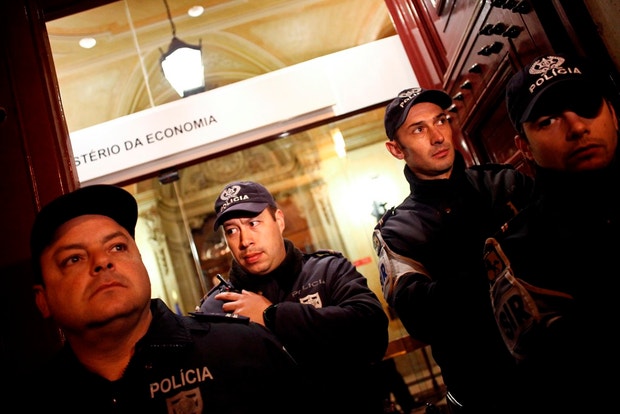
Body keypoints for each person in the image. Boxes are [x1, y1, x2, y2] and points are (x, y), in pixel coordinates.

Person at [26, 184, 304, 413]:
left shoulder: (244, 348)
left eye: (117, 247)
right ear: (43, 300)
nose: (102, 261)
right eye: (74, 259)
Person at [372, 87, 535, 413]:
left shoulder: (502, 183)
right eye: (418, 129)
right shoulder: (397, 231)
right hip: (481, 394)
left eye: (441, 121)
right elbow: (423, 318)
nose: (437, 137)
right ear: (396, 149)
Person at [484, 53, 619, 413]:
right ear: (524, 147)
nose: (576, 128)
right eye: (548, 120)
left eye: (586, 108)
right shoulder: (519, 252)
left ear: (613, 115)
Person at [197, 180, 390, 413]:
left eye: (253, 223)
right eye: (232, 230)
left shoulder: (328, 271)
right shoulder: (216, 308)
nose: (245, 241)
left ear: (279, 221)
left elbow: (373, 333)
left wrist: (272, 316)